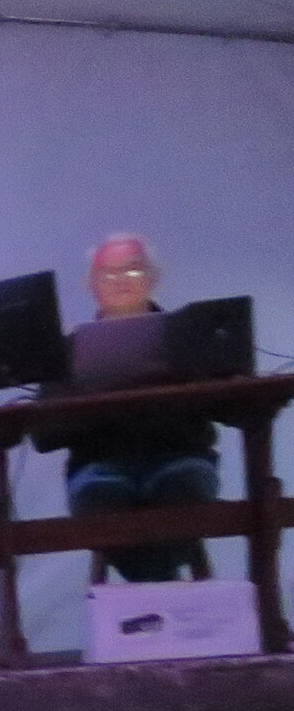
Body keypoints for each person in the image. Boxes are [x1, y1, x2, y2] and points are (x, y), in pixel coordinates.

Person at [38, 233, 220, 583]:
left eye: (132, 270)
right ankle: (164, 590)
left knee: (183, 491)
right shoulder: (68, 351)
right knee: (102, 500)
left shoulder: (188, 338)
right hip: (98, 466)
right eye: (108, 273)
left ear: (153, 278)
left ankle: (147, 594)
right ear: (91, 285)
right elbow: (44, 436)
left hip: (180, 458)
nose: (120, 279)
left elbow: (231, 409)